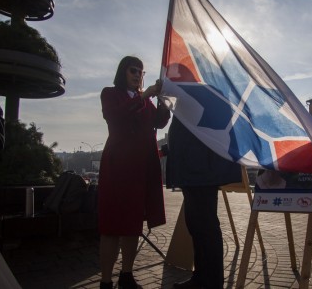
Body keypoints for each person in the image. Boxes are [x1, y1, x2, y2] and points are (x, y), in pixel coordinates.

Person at [98, 56, 170, 289]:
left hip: (139, 170)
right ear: (123, 72)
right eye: (133, 70)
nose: (138, 75)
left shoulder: (146, 101)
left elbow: (159, 122)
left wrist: (162, 100)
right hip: (117, 168)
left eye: (141, 72)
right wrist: (145, 95)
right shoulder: (110, 93)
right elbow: (116, 116)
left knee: (132, 225)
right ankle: (106, 281)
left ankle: (126, 275)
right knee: (111, 227)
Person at [167, 116, 241, 289]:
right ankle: (201, 277)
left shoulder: (205, 90)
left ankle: (211, 282)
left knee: (206, 227)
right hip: (191, 165)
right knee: (195, 225)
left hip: (201, 165)